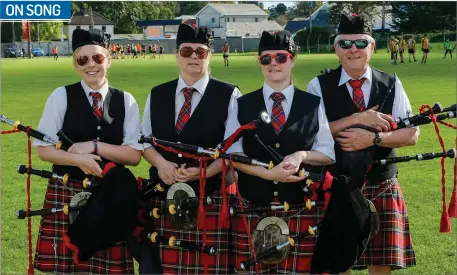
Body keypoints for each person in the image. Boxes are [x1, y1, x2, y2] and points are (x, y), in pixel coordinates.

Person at [306, 13, 419, 274]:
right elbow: (311, 135)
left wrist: (374, 138)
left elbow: (411, 134)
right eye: (345, 44)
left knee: (380, 265)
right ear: (335, 49)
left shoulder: (391, 83)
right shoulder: (318, 85)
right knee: (338, 262)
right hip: (337, 185)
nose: (353, 49)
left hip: (382, 183)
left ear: (372, 47)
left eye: (360, 43)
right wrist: (356, 118)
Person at [32, 28, 143, 273]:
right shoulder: (61, 96)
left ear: (109, 60)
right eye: (83, 60)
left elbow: (134, 155)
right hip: (67, 187)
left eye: (97, 58)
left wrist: (95, 147)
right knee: (68, 269)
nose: (90, 65)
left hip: (111, 195)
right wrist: (77, 161)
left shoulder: (126, 101)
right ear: (75, 64)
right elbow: (43, 149)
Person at [224, 30, 335, 273]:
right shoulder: (242, 104)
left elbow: (327, 152)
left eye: (281, 57)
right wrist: (269, 175)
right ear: (259, 61)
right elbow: (232, 152)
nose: (273, 63)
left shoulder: (312, 104)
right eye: (266, 58)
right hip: (253, 202)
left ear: (293, 59)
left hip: (299, 206)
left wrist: (301, 155)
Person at [137, 23, 242, 274]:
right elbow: (143, 142)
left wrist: (205, 172)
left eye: (201, 51)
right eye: (186, 51)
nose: (193, 56)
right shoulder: (157, 94)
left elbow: (235, 150)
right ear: (176, 55)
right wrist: (161, 164)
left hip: (211, 198)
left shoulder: (230, 94)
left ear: (210, 55)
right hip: (164, 197)